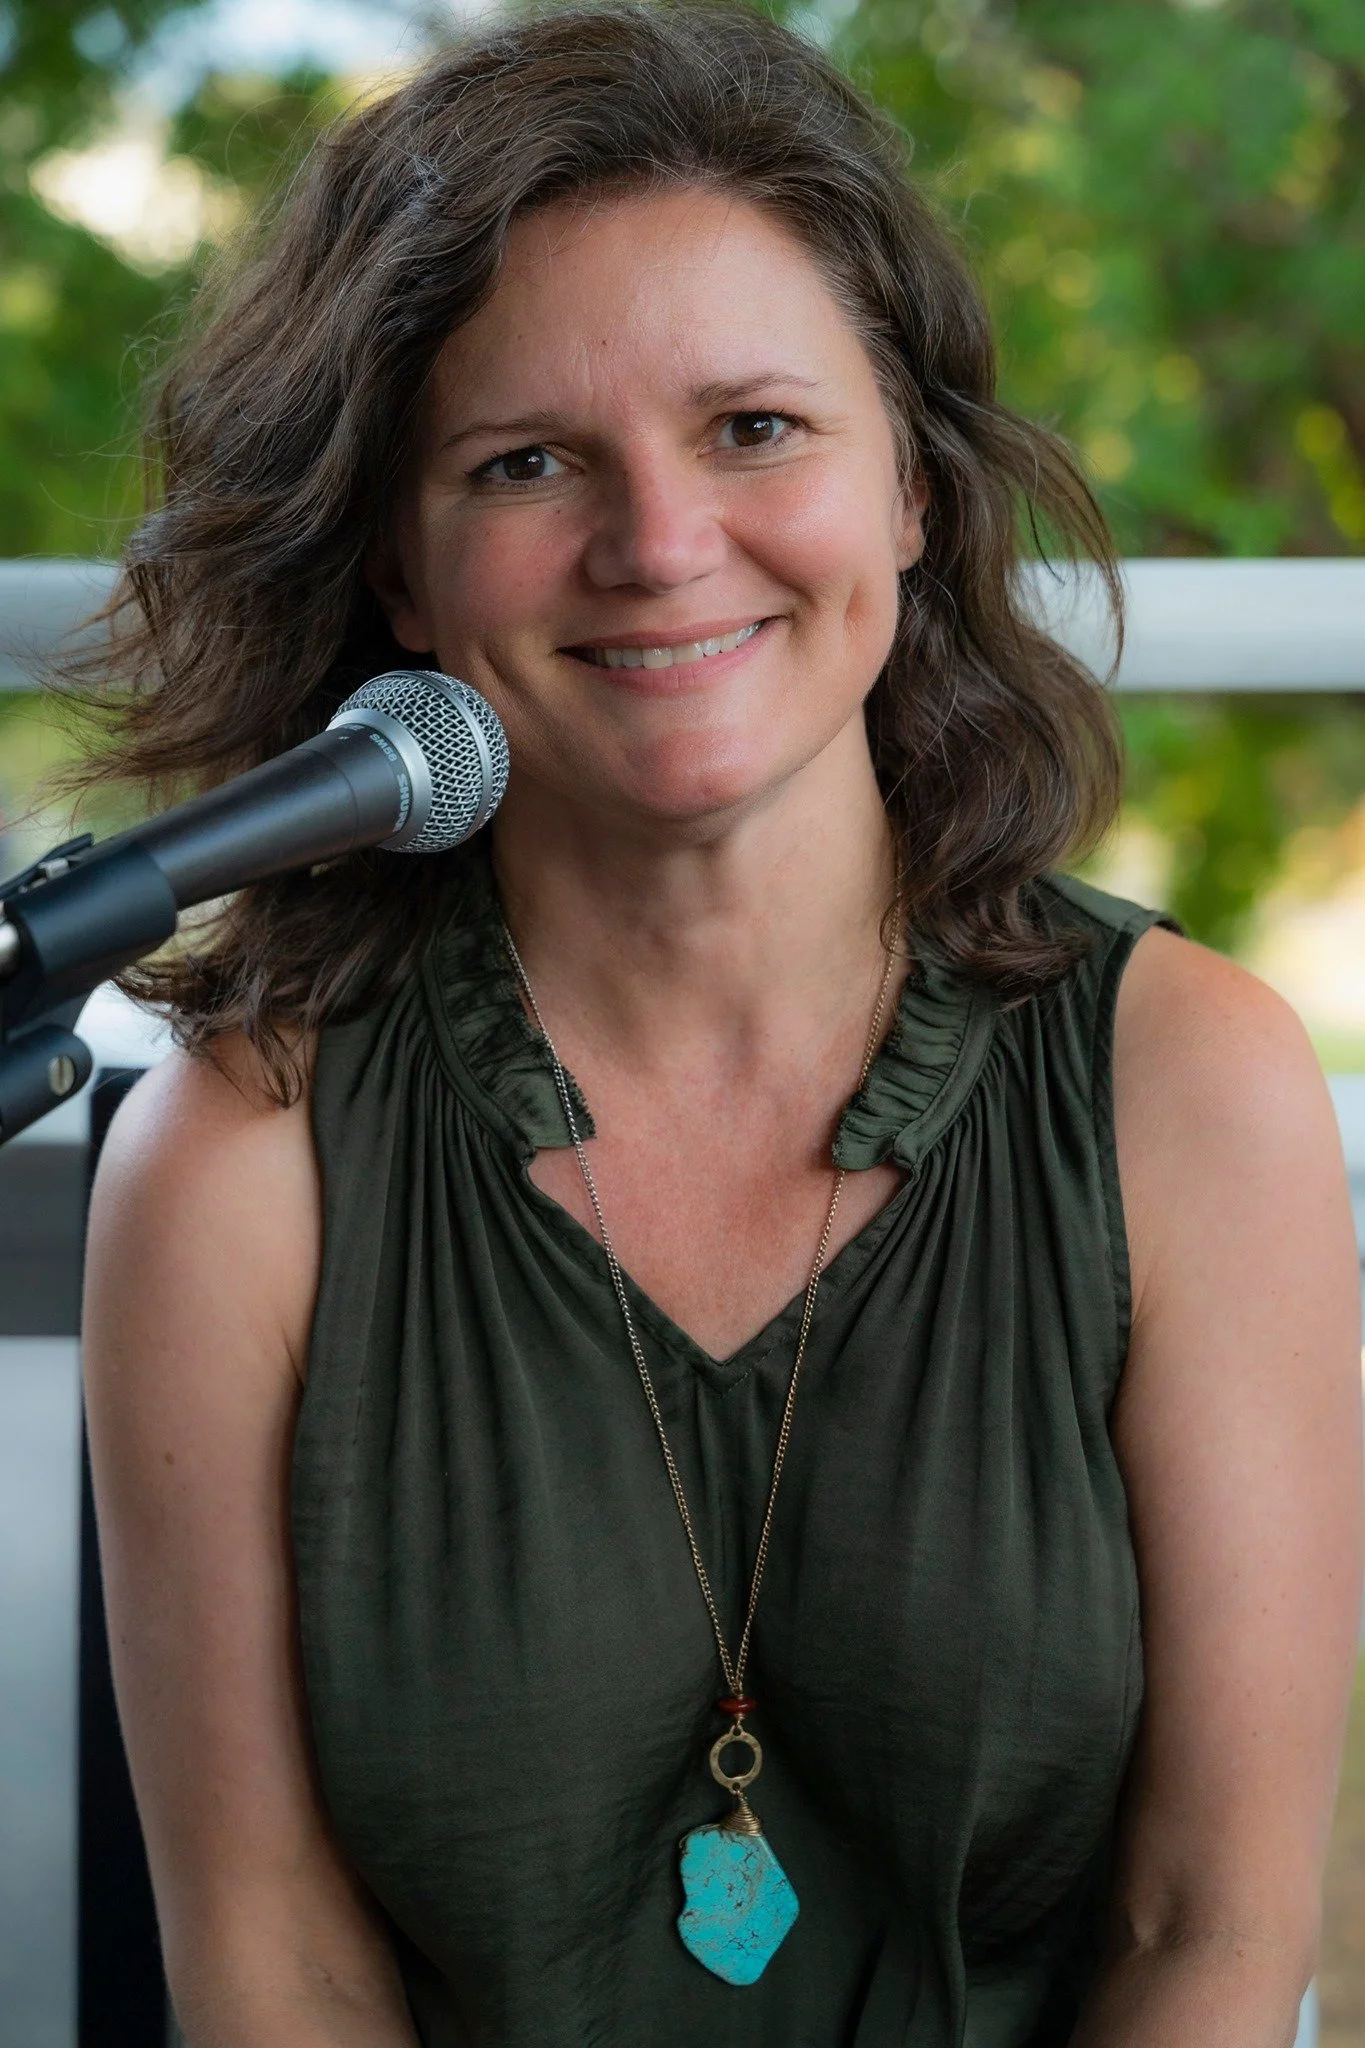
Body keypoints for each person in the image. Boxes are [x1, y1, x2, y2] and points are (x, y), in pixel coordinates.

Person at [76, 5, 1362, 2044]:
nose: (660, 545)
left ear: (915, 496)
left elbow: (1201, 1935)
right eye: (525, 463)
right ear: (405, 572)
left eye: (755, 427)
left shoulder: (1183, 1083)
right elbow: (273, 1968)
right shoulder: (239, 1156)